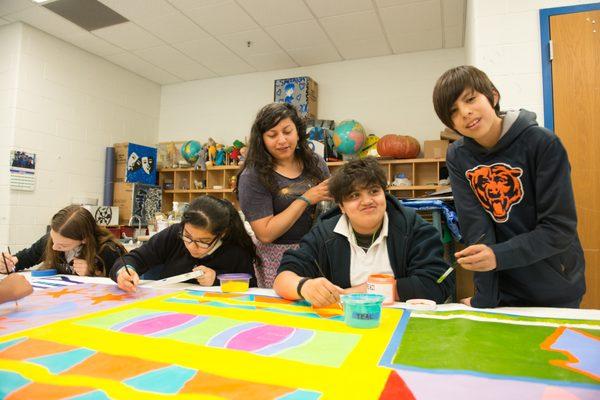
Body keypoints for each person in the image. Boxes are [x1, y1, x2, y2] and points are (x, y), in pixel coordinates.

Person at [432, 65, 585, 308]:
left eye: (470, 99)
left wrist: (497, 256)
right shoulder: (458, 156)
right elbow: (476, 230)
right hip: (503, 288)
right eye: (454, 111)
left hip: (555, 284)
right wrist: (485, 297)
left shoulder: (543, 143)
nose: (466, 112)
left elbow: (558, 229)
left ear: (493, 96)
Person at [273, 157, 454, 307]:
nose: (367, 201)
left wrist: (361, 292)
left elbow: (438, 284)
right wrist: (304, 286)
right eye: (354, 196)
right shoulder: (325, 233)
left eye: (374, 191)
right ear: (341, 206)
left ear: (384, 194)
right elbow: (282, 278)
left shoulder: (412, 227)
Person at [237, 102, 332, 288]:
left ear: (298, 131)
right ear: (262, 139)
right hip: (278, 259)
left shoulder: (315, 163)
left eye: (287, 131)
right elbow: (265, 234)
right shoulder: (253, 175)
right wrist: (305, 199)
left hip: (319, 251)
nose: (282, 140)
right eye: (272, 135)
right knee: (284, 312)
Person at [112, 196, 258, 292]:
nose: (191, 246)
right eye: (187, 236)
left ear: (222, 234)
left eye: (203, 242)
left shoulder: (235, 251)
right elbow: (135, 258)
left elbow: (250, 287)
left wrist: (217, 279)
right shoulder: (174, 234)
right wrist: (124, 272)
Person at [0, 205, 125, 277]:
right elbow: (28, 256)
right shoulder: (53, 241)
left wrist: (93, 273)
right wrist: (11, 263)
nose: (54, 247)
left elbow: (122, 281)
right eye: (53, 239)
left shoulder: (108, 250)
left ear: (84, 239)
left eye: (63, 245)